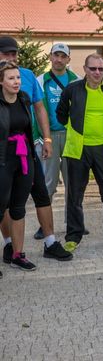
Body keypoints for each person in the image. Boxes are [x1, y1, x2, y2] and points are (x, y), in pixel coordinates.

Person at [0, 36, 72, 264]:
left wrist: (47, 139)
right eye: (7, 53)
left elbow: (40, 108)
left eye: (14, 53)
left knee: (41, 192)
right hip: (4, 153)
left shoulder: (28, 76)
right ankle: (9, 244)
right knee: (5, 201)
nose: (12, 57)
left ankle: (50, 242)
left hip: (26, 148)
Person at [56, 53, 103, 254]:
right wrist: (73, 129)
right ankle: (73, 236)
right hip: (78, 149)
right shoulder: (72, 90)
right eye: (93, 68)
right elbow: (61, 113)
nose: (97, 72)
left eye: (101, 69)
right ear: (85, 70)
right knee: (75, 195)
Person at [33, 43, 80, 240]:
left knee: (73, 182)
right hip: (48, 136)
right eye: (56, 55)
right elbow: (35, 110)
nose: (59, 59)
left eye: (63, 56)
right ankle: (44, 225)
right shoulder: (40, 80)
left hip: (71, 137)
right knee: (48, 183)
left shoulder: (77, 80)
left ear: (68, 59)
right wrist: (40, 139)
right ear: (50, 57)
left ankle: (73, 224)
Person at [0, 61, 37, 271]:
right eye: (11, 78)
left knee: (18, 208)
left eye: (18, 77)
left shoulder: (23, 98)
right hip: (2, 160)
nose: (16, 82)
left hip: (23, 157)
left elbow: (28, 129)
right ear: (1, 81)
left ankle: (18, 255)